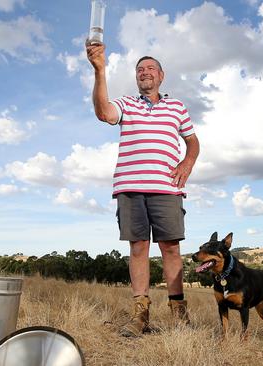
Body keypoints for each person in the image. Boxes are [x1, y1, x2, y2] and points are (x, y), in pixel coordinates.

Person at [86, 41, 200, 337]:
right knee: (138, 249)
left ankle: (178, 317)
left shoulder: (177, 107)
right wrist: (100, 71)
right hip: (130, 186)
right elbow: (104, 113)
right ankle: (141, 318)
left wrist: (187, 162)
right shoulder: (127, 103)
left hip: (166, 188)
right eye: (140, 70)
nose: (144, 72)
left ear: (161, 76)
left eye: (150, 68)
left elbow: (193, 141)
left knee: (171, 249)